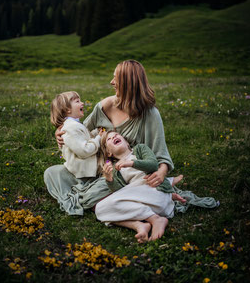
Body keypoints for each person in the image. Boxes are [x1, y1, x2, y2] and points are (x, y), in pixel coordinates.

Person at [44, 60, 174, 215]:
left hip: (122, 175)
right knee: (52, 173)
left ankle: (102, 198)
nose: (111, 82)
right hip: (94, 168)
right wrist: (60, 133)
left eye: (116, 79)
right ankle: (103, 198)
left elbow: (161, 155)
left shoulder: (150, 115)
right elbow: (80, 131)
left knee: (108, 184)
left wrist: (161, 173)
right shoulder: (104, 106)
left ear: (128, 84)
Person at [95, 131, 185, 243]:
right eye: (109, 139)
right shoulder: (115, 169)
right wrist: (109, 179)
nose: (114, 137)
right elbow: (120, 193)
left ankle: (156, 219)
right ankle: (139, 225)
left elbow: (153, 164)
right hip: (146, 206)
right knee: (100, 209)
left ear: (127, 142)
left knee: (112, 202)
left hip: (156, 191)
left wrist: (131, 163)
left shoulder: (139, 149)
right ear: (108, 152)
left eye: (117, 135)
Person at [50, 91, 105, 179]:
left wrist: (97, 132)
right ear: (67, 109)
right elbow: (84, 150)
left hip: (87, 166)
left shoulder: (74, 125)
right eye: (77, 101)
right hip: (85, 170)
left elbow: (85, 138)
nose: (82, 103)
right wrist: (99, 138)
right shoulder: (70, 128)